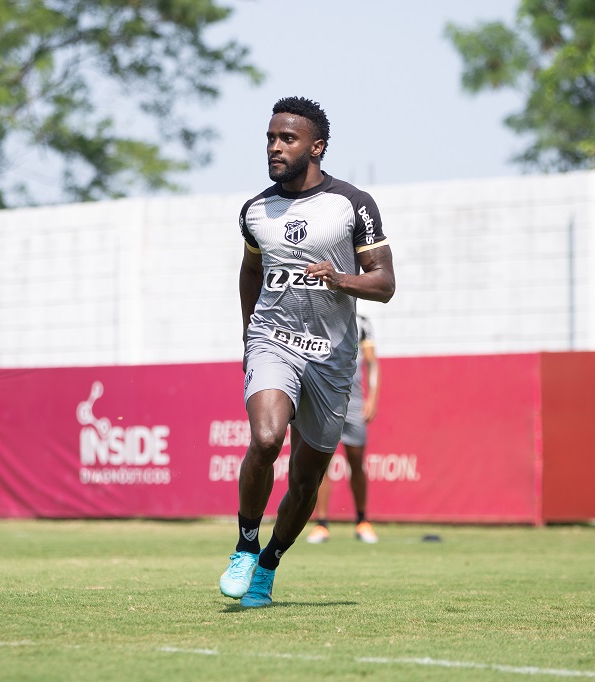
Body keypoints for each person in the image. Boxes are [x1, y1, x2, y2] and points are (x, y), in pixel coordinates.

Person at [219, 96, 395, 608]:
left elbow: (384, 283)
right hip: (274, 342)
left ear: (315, 147)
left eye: (286, 139)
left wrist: (339, 278)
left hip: (332, 358)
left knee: (305, 482)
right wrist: (250, 340)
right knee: (267, 437)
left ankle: (269, 565)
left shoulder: (352, 204)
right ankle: (246, 544)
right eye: (270, 138)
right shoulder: (256, 211)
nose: (275, 147)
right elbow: (250, 274)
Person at [306, 313, 380, 545]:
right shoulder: (318, 315)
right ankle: (322, 524)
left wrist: (372, 398)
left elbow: (371, 362)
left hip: (355, 401)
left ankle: (362, 521)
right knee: (321, 464)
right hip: (324, 400)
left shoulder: (362, 321)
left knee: (356, 462)